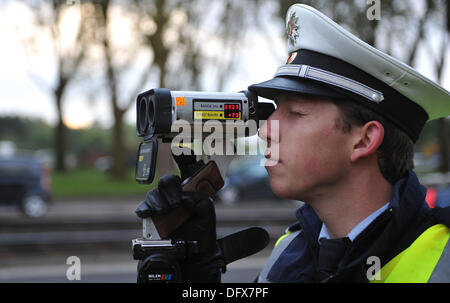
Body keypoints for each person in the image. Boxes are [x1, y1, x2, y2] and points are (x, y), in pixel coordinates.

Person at [136, 4, 450, 283]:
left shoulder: (443, 260)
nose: (264, 131)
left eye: (296, 113)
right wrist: (195, 278)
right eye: (275, 111)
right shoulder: (290, 249)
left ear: (364, 139)